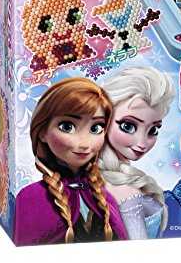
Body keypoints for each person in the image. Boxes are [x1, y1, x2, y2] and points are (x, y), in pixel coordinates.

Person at [13, 77, 128, 245]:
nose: (84, 143)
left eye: (96, 128)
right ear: (43, 131)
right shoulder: (31, 198)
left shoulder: (104, 197)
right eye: (67, 126)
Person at [99, 67, 175, 239]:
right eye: (128, 126)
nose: (142, 143)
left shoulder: (103, 177)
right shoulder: (126, 195)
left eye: (153, 130)